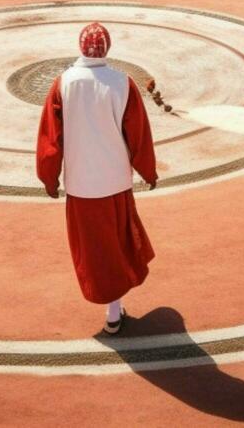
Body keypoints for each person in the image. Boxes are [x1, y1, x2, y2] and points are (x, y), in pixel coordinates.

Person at [35, 22, 158, 335]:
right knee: (117, 244)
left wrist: (50, 178)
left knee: (96, 251)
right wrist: (148, 170)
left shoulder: (63, 84)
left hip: (81, 184)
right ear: (107, 48)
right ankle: (113, 310)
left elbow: (51, 137)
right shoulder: (122, 83)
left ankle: (113, 312)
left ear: (80, 47)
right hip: (115, 180)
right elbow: (138, 133)